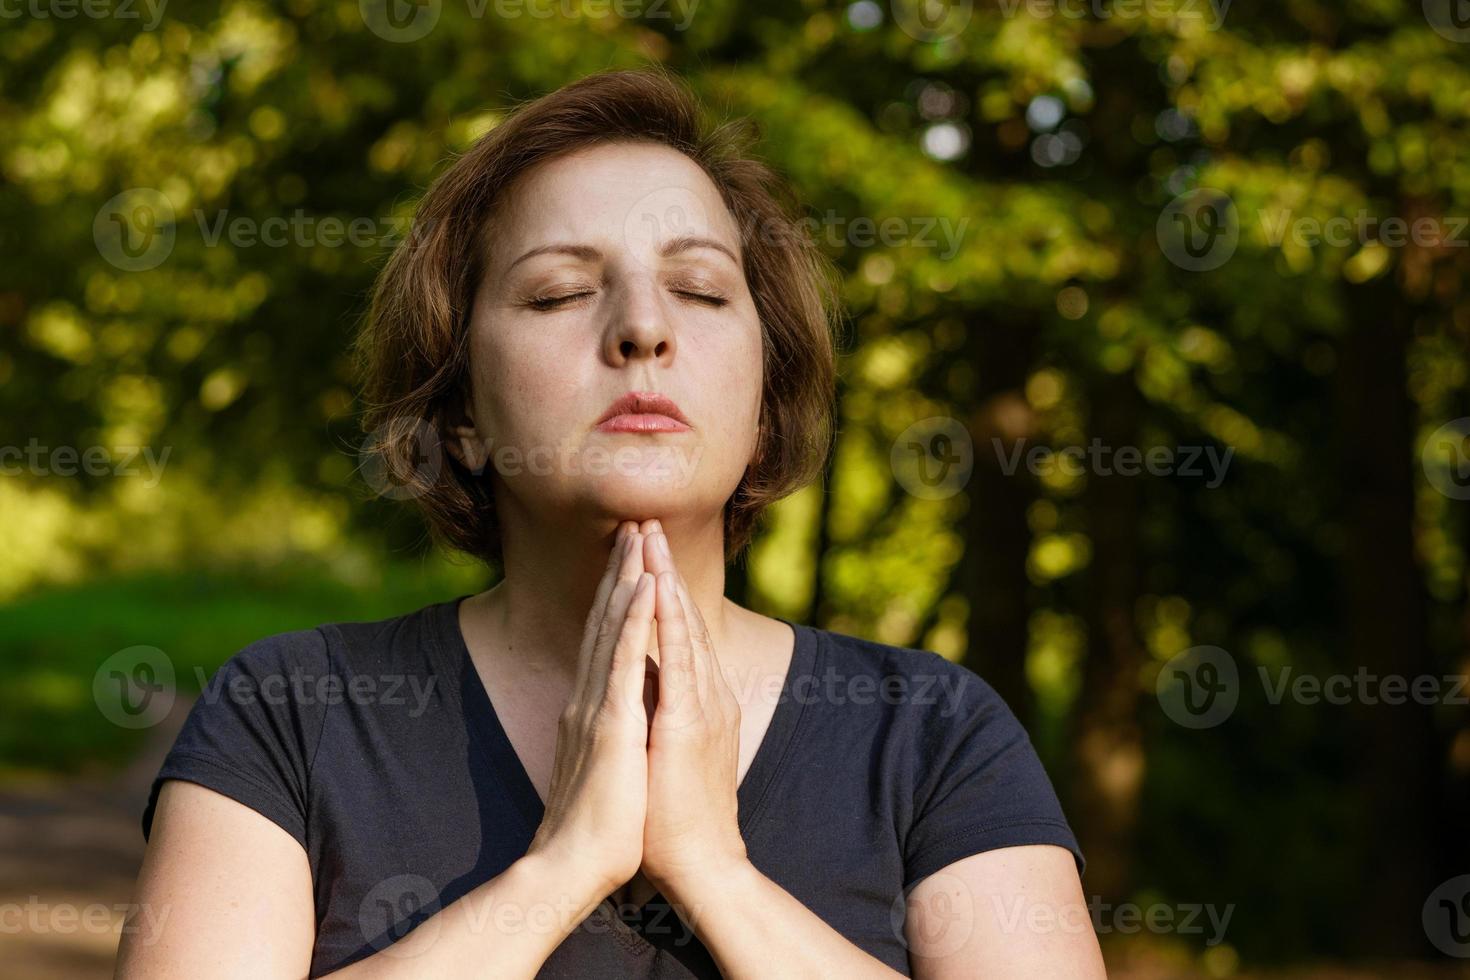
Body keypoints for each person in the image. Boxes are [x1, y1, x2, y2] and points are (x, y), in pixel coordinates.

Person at [115, 66, 1105, 979]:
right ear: (459, 413)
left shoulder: (935, 733)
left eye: (702, 287)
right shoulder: (292, 713)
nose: (642, 326)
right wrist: (559, 869)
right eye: (560, 291)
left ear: (764, 410)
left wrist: (717, 871)